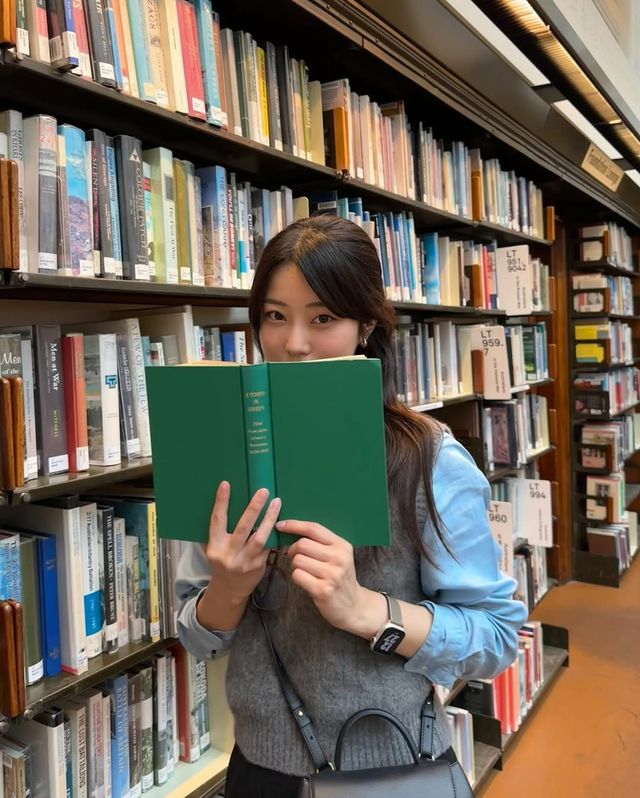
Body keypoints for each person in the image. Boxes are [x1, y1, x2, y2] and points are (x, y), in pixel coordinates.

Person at [175, 214, 528, 798]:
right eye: (275, 316)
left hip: (389, 771)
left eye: (323, 319)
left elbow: (495, 637)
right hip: (258, 772)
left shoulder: (429, 458)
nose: (294, 344)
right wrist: (229, 590)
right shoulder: (231, 447)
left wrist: (367, 610)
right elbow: (197, 637)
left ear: (365, 325)